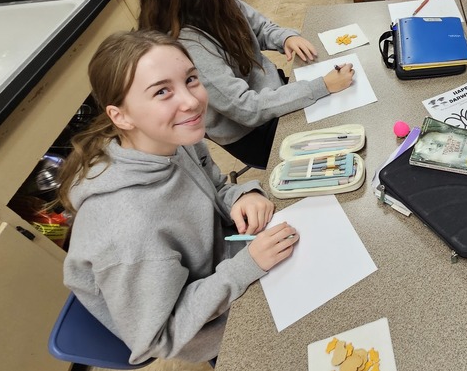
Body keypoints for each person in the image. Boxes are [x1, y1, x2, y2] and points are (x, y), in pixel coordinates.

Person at [59, 30, 299, 364]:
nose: (190, 101)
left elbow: (213, 184)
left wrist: (239, 197)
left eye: (191, 79)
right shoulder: (129, 232)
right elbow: (158, 340)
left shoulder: (172, 137)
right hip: (214, 323)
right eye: (162, 91)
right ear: (120, 115)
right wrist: (244, 268)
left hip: (231, 262)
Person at [138, 0, 354, 168]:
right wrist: (320, 86)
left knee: (343, 109)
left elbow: (260, 28)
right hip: (254, 131)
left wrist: (284, 37)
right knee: (342, 138)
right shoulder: (188, 48)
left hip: (272, 95)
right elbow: (247, 108)